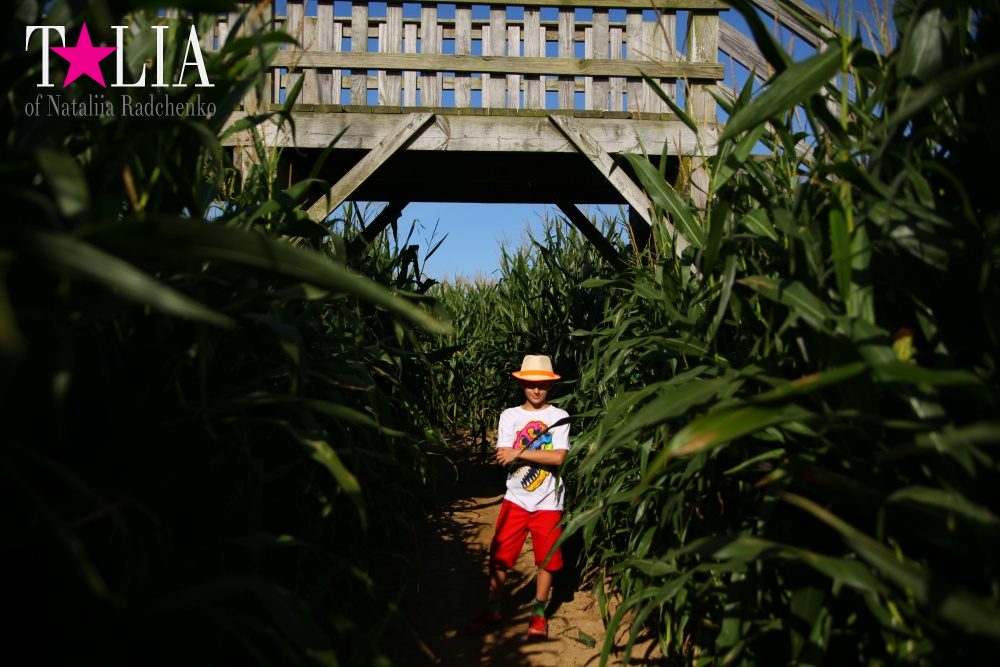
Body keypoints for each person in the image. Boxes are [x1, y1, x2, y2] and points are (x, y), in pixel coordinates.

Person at [464, 354, 571, 641]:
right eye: (530, 383)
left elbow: (559, 456)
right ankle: (494, 609)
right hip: (516, 500)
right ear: (521, 382)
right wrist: (522, 455)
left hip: (549, 501)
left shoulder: (559, 416)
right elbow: (502, 457)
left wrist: (519, 453)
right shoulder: (510, 416)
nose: (536, 390)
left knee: (546, 559)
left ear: (551, 386)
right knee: (499, 555)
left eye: (542, 385)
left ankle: (538, 613)